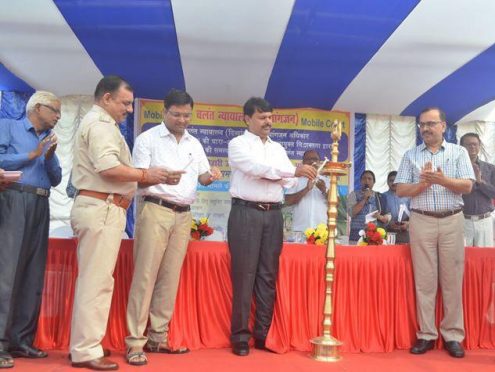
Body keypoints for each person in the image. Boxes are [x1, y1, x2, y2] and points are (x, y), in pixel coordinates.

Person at [68, 76, 168, 371]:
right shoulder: (100, 125)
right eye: (124, 103)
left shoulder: (103, 124)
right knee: (95, 283)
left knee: (96, 281)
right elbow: (108, 167)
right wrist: (145, 175)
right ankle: (86, 350)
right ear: (106, 98)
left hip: (105, 207)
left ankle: (86, 345)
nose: (128, 109)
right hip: (102, 207)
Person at [124, 89, 222, 366]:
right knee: (145, 277)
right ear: (164, 112)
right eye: (176, 114)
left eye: (187, 115)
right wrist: (161, 177)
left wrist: (212, 176)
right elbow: (137, 179)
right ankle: (134, 343)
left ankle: (158, 337)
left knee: (169, 278)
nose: (182, 120)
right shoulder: (148, 139)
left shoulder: (195, 142)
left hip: (183, 216)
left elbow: (202, 177)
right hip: (155, 208)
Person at [227, 97, 316, 356]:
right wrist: (288, 173)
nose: (268, 122)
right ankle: (240, 336)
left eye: (270, 117)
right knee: (245, 276)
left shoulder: (277, 148)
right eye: (262, 117)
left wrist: (286, 174)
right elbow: (255, 169)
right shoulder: (237, 144)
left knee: (268, 275)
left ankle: (263, 334)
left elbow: (286, 184)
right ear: (247, 119)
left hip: (274, 215)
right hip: (246, 213)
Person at [395, 107, 474, 358]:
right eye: (422, 125)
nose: (426, 129)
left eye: (431, 124)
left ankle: (452, 335)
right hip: (422, 221)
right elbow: (400, 190)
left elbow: (467, 185)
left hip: (452, 220)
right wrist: (422, 184)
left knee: (452, 281)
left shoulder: (458, 152)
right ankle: (426, 335)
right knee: (425, 281)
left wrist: (442, 181)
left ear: (443, 126)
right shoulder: (410, 155)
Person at [0, 91, 62, 369]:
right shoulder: (8, 126)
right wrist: (31, 154)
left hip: (41, 202)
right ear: (37, 108)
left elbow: (57, 178)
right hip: (14, 198)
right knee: (7, 272)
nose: (58, 117)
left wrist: (48, 157)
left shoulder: (48, 139)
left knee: (32, 273)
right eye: (55, 111)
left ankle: (21, 341)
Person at [459, 133, 495, 247]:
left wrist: (481, 182)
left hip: (484, 220)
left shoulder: (490, 169)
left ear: (479, 146)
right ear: (461, 147)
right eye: (468, 145)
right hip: (462, 220)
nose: (472, 147)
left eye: (475, 144)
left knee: (484, 258)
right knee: (463, 258)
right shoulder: (456, 168)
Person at [284, 150, 328, 235]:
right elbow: (287, 201)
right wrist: (306, 189)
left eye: (315, 159)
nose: (312, 161)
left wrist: (324, 189)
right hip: (300, 230)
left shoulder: (327, 181)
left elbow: (337, 204)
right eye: (308, 159)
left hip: (321, 232)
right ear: (303, 162)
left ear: (319, 162)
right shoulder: (296, 180)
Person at [347, 170, 390, 243]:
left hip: (373, 236)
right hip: (356, 236)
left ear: (374, 182)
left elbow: (387, 217)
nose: (366, 181)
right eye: (364, 178)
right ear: (360, 181)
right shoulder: (353, 194)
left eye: (369, 179)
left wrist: (379, 217)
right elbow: (351, 213)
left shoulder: (380, 197)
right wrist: (364, 198)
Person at [382, 171, 410, 244]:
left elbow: (414, 214)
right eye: (391, 180)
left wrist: (408, 224)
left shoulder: (408, 197)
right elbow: (380, 214)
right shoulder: (382, 196)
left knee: (404, 254)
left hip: (404, 232)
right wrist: (389, 223)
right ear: (387, 182)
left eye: (396, 180)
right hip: (387, 232)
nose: (394, 183)